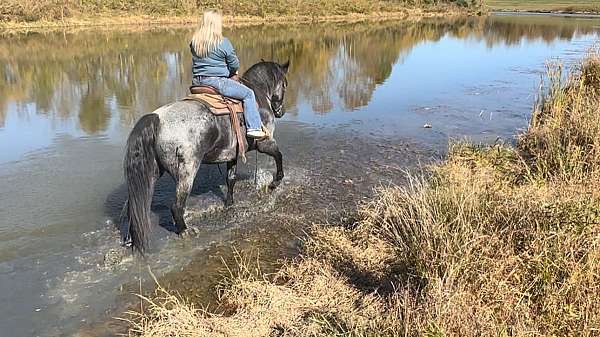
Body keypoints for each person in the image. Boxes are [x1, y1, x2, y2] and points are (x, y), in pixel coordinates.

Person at [190, 10, 266, 139]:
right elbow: (234, 63)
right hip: (217, 82)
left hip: (197, 82)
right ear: (216, 24)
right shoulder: (223, 42)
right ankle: (254, 128)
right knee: (248, 94)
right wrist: (233, 71)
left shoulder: (194, 42)